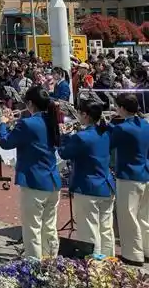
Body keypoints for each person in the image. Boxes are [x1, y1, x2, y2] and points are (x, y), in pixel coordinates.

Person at [0, 86, 62, 259]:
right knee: (49, 226)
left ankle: (34, 265)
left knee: (32, 227)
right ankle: (51, 261)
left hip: (34, 181)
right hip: (52, 180)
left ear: (31, 103)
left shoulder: (28, 123)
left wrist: (3, 124)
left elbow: (5, 142)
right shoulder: (50, 120)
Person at [57, 100, 116, 257]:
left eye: (80, 113)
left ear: (85, 115)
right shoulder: (105, 133)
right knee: (106, 229)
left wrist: (64, 135)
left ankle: (93, 265)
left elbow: (64, 153)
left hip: (88, 187)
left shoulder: (82, 137)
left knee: (88, 231)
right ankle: (109, 262)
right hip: (106, 184)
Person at [109, 93, 149, 266]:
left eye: (118, 106)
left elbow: (108, 143)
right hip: (144, 172)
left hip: (129, 176)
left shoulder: (122, 128)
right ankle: (146, 249)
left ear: (123, 109)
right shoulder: (145, 125)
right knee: (144, 216)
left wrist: (108, 125)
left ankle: (133, 254)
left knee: (128, 216)